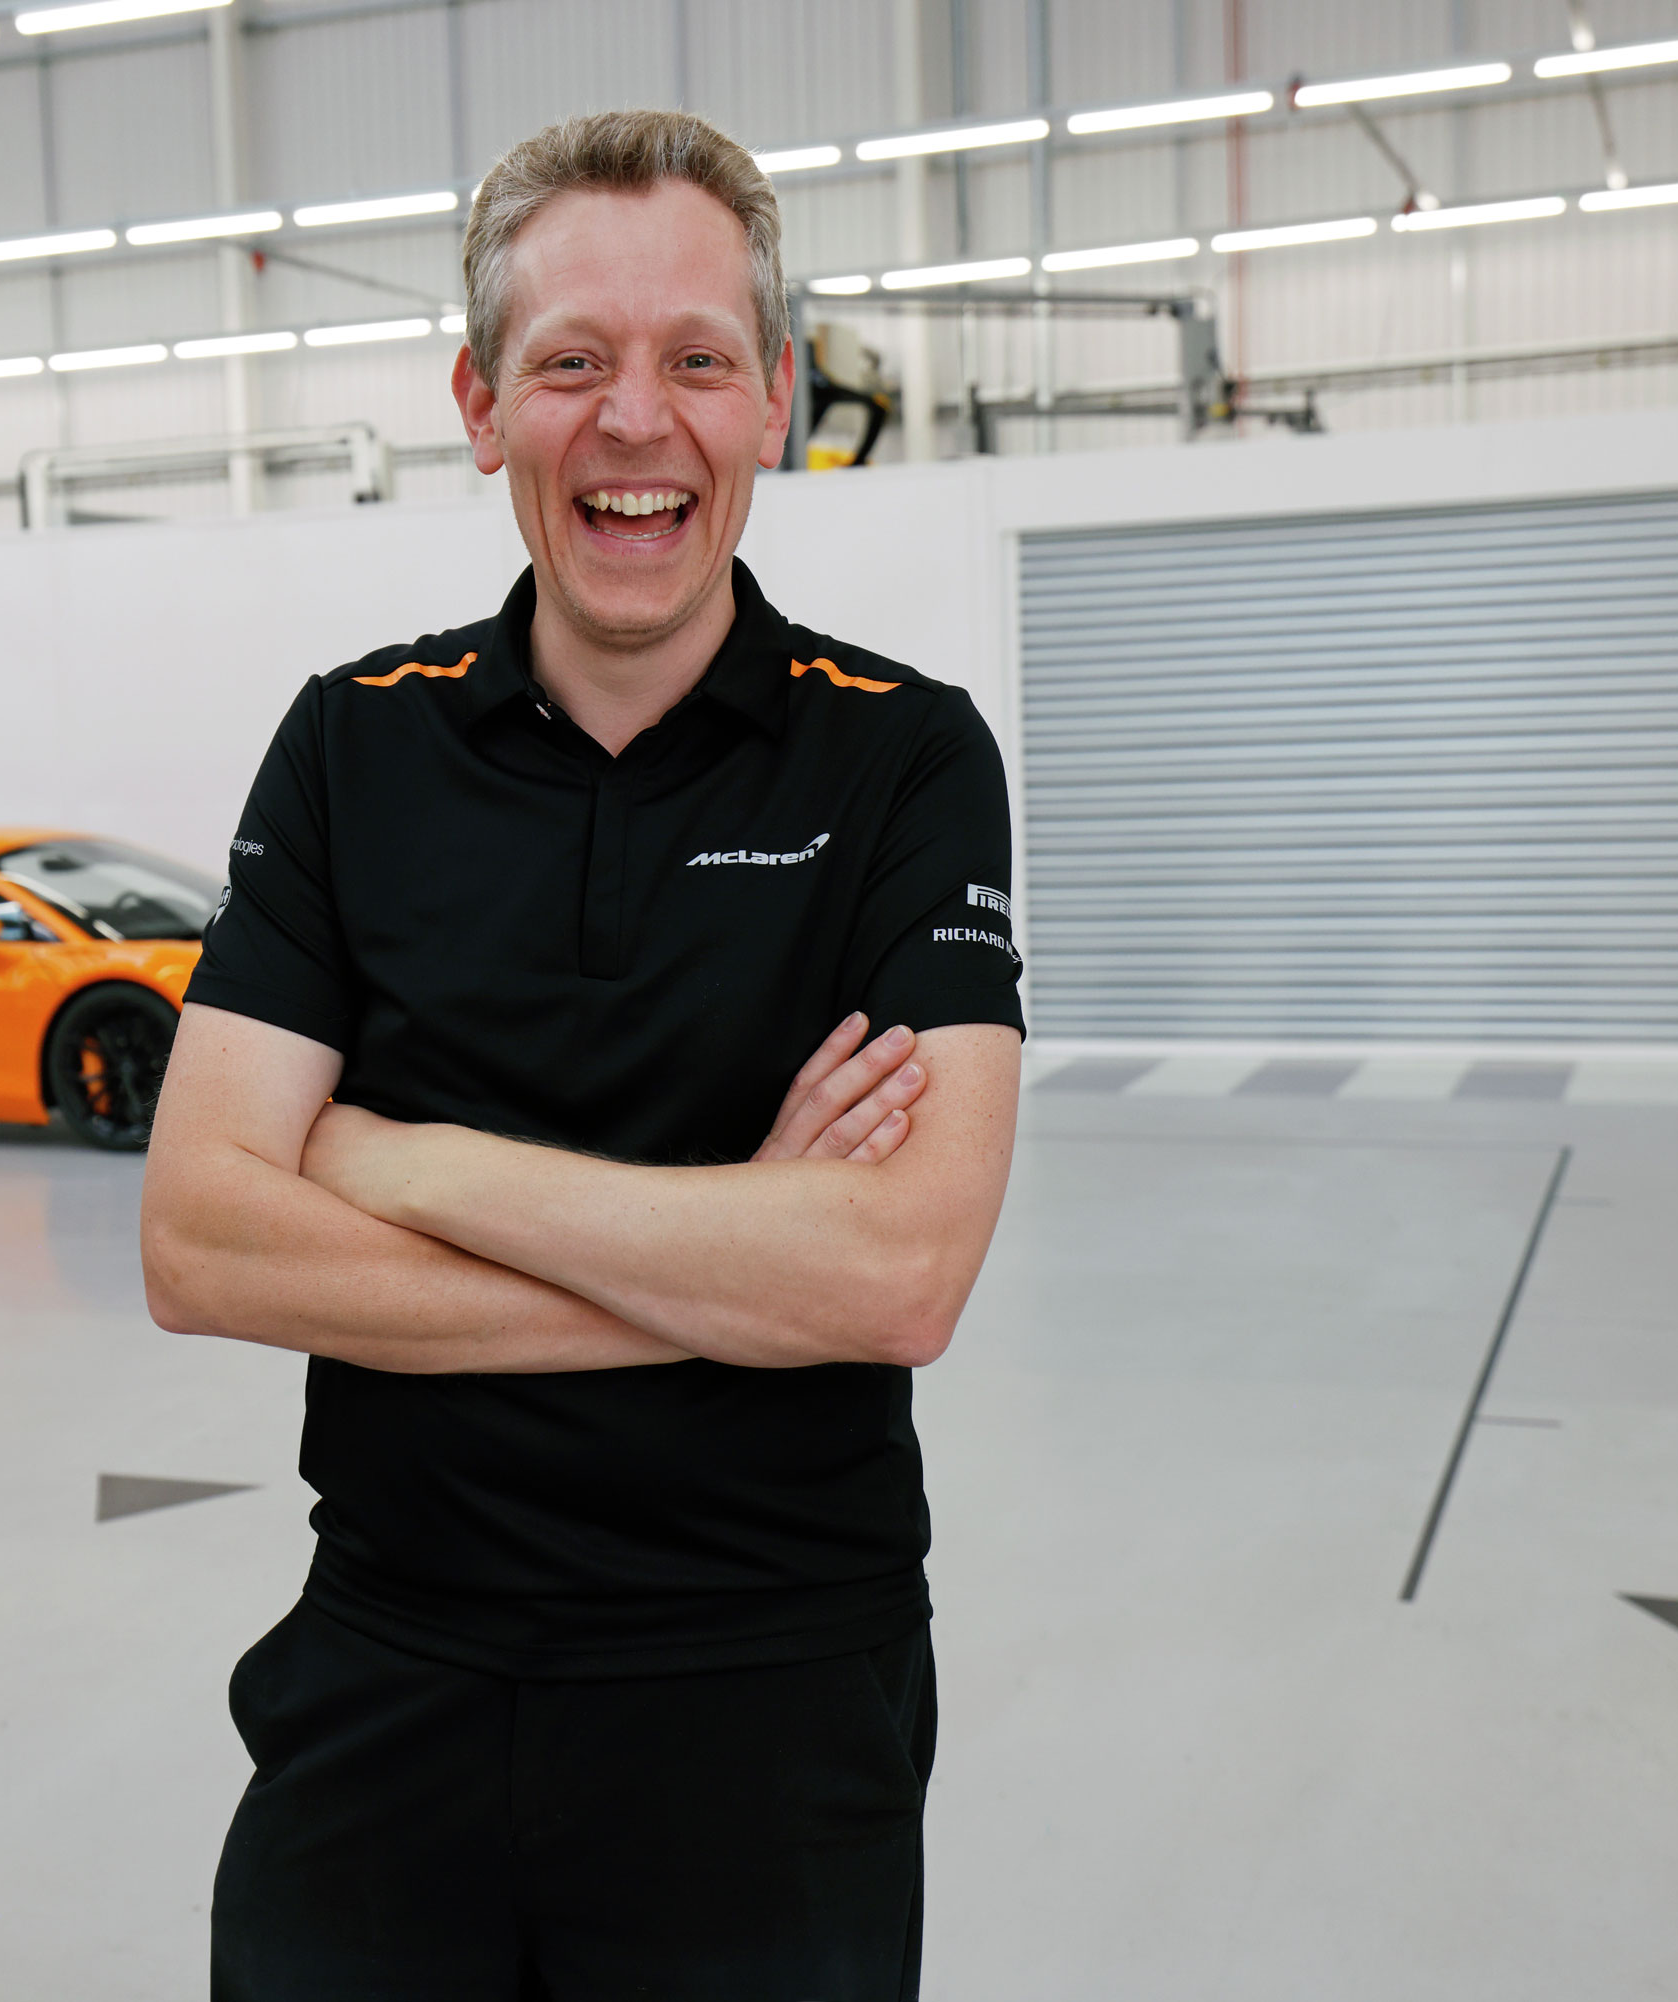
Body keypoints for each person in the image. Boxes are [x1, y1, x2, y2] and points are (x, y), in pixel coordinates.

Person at [140, 107, 1024, 2002]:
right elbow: (202, 1243)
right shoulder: (349, 748)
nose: (638, 421)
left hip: (772, 1689)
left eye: (699, 358)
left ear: (775, 396)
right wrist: (738, 1261)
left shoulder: (907, 759)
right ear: (480, 403)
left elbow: (900, 1269)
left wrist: (397, 1159)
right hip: (392, 1670)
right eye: (572, 362)